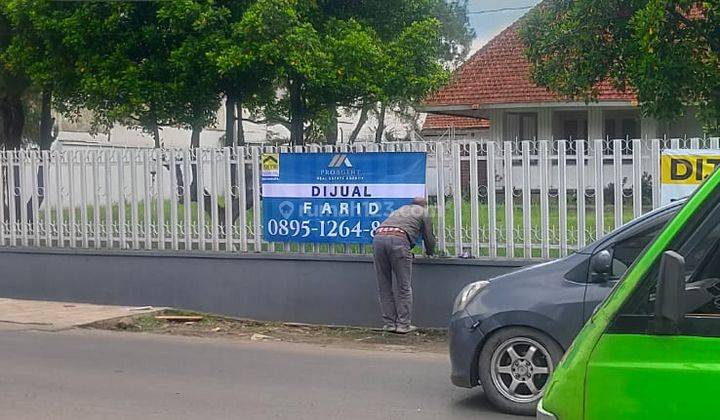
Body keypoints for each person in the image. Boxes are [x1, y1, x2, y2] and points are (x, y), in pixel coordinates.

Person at [372, 197, 436, 334]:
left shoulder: (399, 210)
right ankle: (403, 325)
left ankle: (389, 323)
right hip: (399, 241)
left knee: (384, 285)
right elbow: (428, 237)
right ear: (425, 205)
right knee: (404, 286)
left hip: (378, 239)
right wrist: (430, 252)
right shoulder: (423, 212)